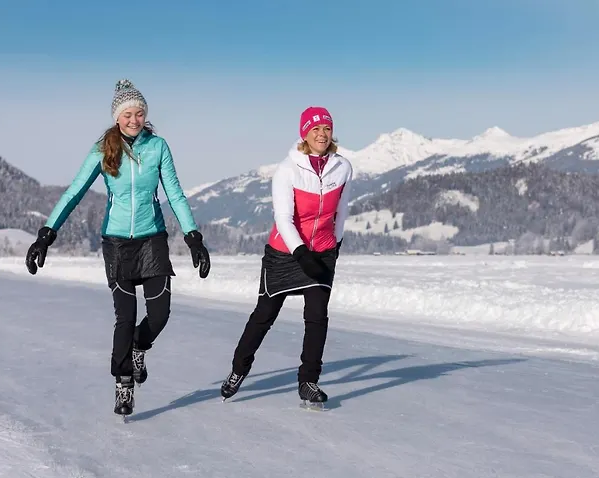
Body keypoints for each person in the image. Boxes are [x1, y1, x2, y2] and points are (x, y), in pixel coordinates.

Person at [24, 79, 211, 416]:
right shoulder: (103, 149)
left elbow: (175, 194)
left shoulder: (158, 147)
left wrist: (193, 236)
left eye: (140, 113)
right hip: (116, 244)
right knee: (125, 317)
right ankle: (123, 383)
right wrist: (46, 234)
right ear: (117, 117)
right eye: (128, 114)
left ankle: (140, 346)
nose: (134, 119)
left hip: (152, 239)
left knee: (160, 314)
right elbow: (74, 193)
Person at [220, 106, 353, 407]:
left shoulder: (343, 167)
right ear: (304, 133)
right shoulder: (287, 169)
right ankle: (239, 369)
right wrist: (300, 252)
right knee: (264, 316)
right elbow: (283, 218)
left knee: (317, 317)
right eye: (315, 129)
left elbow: (341, 211)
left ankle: (308, 381)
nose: (322, 134)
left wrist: (336, 243)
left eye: (327, 129)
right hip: (284, 253)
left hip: (322, 250)